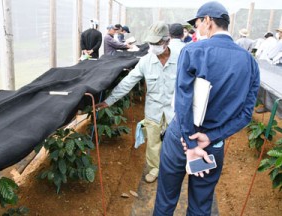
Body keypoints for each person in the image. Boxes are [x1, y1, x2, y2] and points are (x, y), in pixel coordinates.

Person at [153, 1, 260, 215]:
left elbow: (183, 102)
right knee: (201, 205)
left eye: (198, 23)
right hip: (212, 144)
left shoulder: (193, 51)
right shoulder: (249, 62)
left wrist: (191, 143)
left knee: (166, 200)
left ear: (208, 21)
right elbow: (246, 113)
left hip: (180, 141)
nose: (197, 29)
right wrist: (212, 137)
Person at [96, 21, 179, 183]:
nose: (153, 46)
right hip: (153, 110)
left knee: (174, 144)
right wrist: (109, 101)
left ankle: (172, 171)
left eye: (157, 43)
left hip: (174, 112)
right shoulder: (146, 61)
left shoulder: (181, 58)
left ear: (167, 41)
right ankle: (155, 169)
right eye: (151, 43)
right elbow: (128, 82)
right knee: (153, 143)